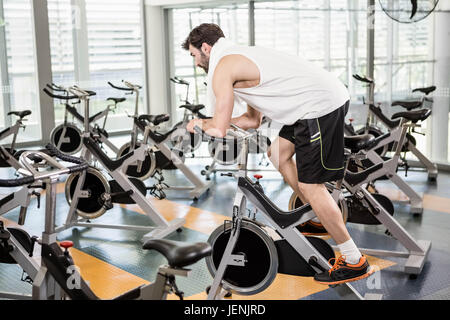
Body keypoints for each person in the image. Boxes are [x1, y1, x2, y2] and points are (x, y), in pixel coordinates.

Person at [183, 23, 373, 285]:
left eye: (194, 55)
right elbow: (252, 119)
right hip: (308, 105)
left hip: (318, 105)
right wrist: (210, 123)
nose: (195, 63)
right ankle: (316, 213)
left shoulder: (223, 67)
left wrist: (200, 124)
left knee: (311, 185)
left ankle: (355, 261)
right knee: (277, 154)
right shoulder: (240, 60)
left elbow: (219, 127)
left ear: (205, 48)